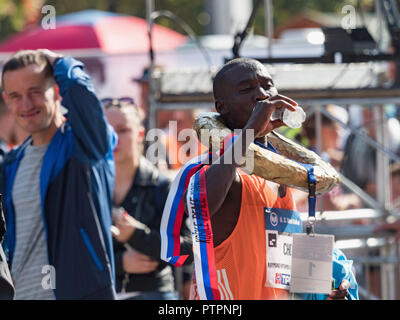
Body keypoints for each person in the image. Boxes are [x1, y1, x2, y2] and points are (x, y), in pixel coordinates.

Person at [162, 58, 358, 300]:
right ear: (222, 107)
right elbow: (201, 207)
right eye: (246, 89)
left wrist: (324, 294)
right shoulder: (217, 167)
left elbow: (280, 272)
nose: (262, 95)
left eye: (268, 85)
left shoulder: (284, 172)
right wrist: (251, 130)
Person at [0, 49, 117, 299]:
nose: (26, 105)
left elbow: (82, 96)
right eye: (15, 96)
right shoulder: (10, 164)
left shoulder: (84, 147)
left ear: (55, 92)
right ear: (6, 100)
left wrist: (62, 63)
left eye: (34, 92)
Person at [103, 98, 193, 300]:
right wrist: (119, 262)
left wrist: (136, 235)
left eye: (123, 130)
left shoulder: (163, 186)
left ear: (140, 135)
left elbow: (187, 250)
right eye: (108, 130)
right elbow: (73, 251)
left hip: (155, 293)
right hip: (103, 291)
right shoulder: (90, 187)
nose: (114, 138)